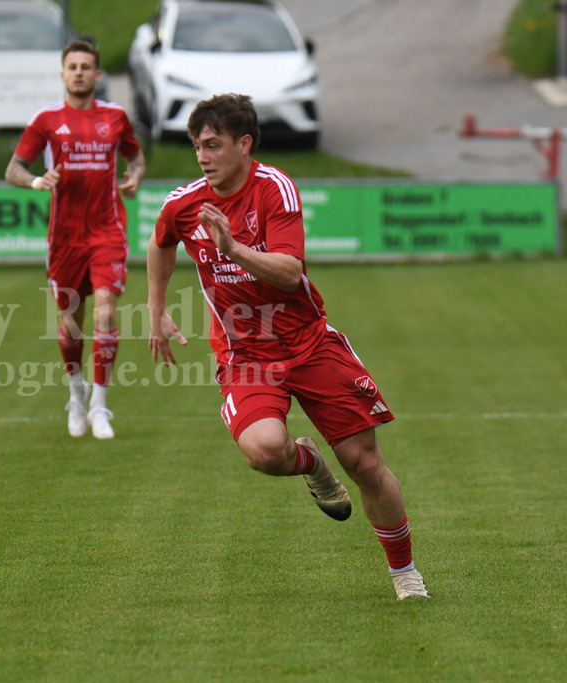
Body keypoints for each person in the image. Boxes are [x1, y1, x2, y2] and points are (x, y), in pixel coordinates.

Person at [147, 94, 429, 600]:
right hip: (245, 355)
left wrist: (233, 248)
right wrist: (156, 308)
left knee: (365, 465)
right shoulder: (183, 203)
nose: (203, 157)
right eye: (197, 147)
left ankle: (405, 573)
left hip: (308, 343)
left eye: (212, 145)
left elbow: (289, 273)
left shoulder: (274, 188)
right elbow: (160, 241)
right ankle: (310, 463)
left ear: (244, 144)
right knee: (264, 450)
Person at [5, 40, 146, 439]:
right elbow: (13, 168)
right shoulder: (46, 120)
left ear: (97, 75)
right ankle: (76, 394)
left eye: (86, 66)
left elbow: (136, 157)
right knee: (71, 322)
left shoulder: (115, 117)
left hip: (107, 231)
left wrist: (135, 177)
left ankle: (99, 406)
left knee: (105, 314)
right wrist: (37, 181)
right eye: (73, 66)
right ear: (63, 74)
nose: (79, 72)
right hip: (64, 237)